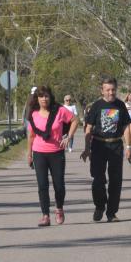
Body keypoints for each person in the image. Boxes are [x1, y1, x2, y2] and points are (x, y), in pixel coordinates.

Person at [81, 77, 131, 223]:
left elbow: (126, 127)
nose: (111, 93)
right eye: (108, 90)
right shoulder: (96, 106)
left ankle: (111, 213)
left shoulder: (120, 105)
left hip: (116, 146)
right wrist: (87, 149)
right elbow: (89, 128)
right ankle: (99, 206)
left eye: (113, 90)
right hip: (99, 145)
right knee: (98, 179)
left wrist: (129, 147)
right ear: (102, 90)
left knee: (116, 181)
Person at [27, 86, 80, 226]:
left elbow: (75, 120)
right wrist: (29, 154)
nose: (44, 99)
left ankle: (59, 208)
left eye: (47, 96)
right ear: (37, 99)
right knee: (42, 185)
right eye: (41, 96)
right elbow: (31, 136)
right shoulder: (33, 114)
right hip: (39, 153)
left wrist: (68, 137)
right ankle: (45, 215)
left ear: (50, 98)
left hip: (56, 152)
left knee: (59, 185)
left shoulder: (60, 110)